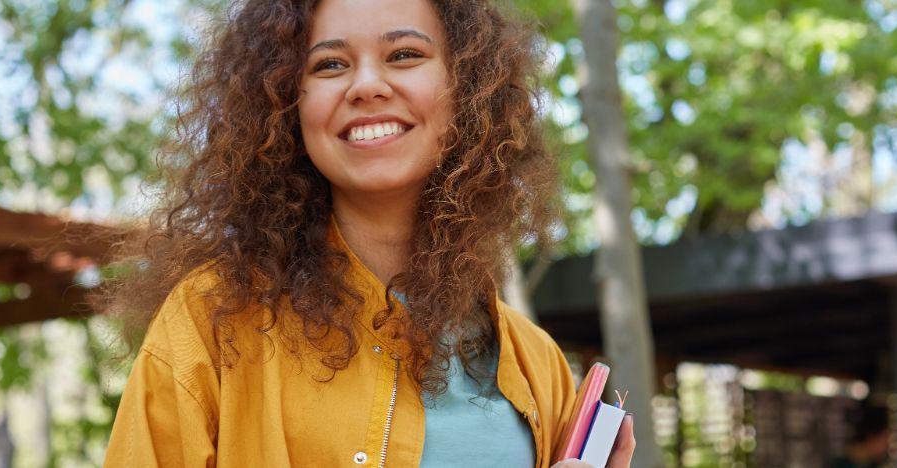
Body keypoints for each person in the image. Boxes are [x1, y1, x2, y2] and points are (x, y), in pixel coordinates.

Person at [98, 0, 636, 466]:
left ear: (467, 86)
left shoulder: (537, 362)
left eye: (404, 54)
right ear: (288, 102)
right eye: (330, 64)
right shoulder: (210, 320)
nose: (367, 85)